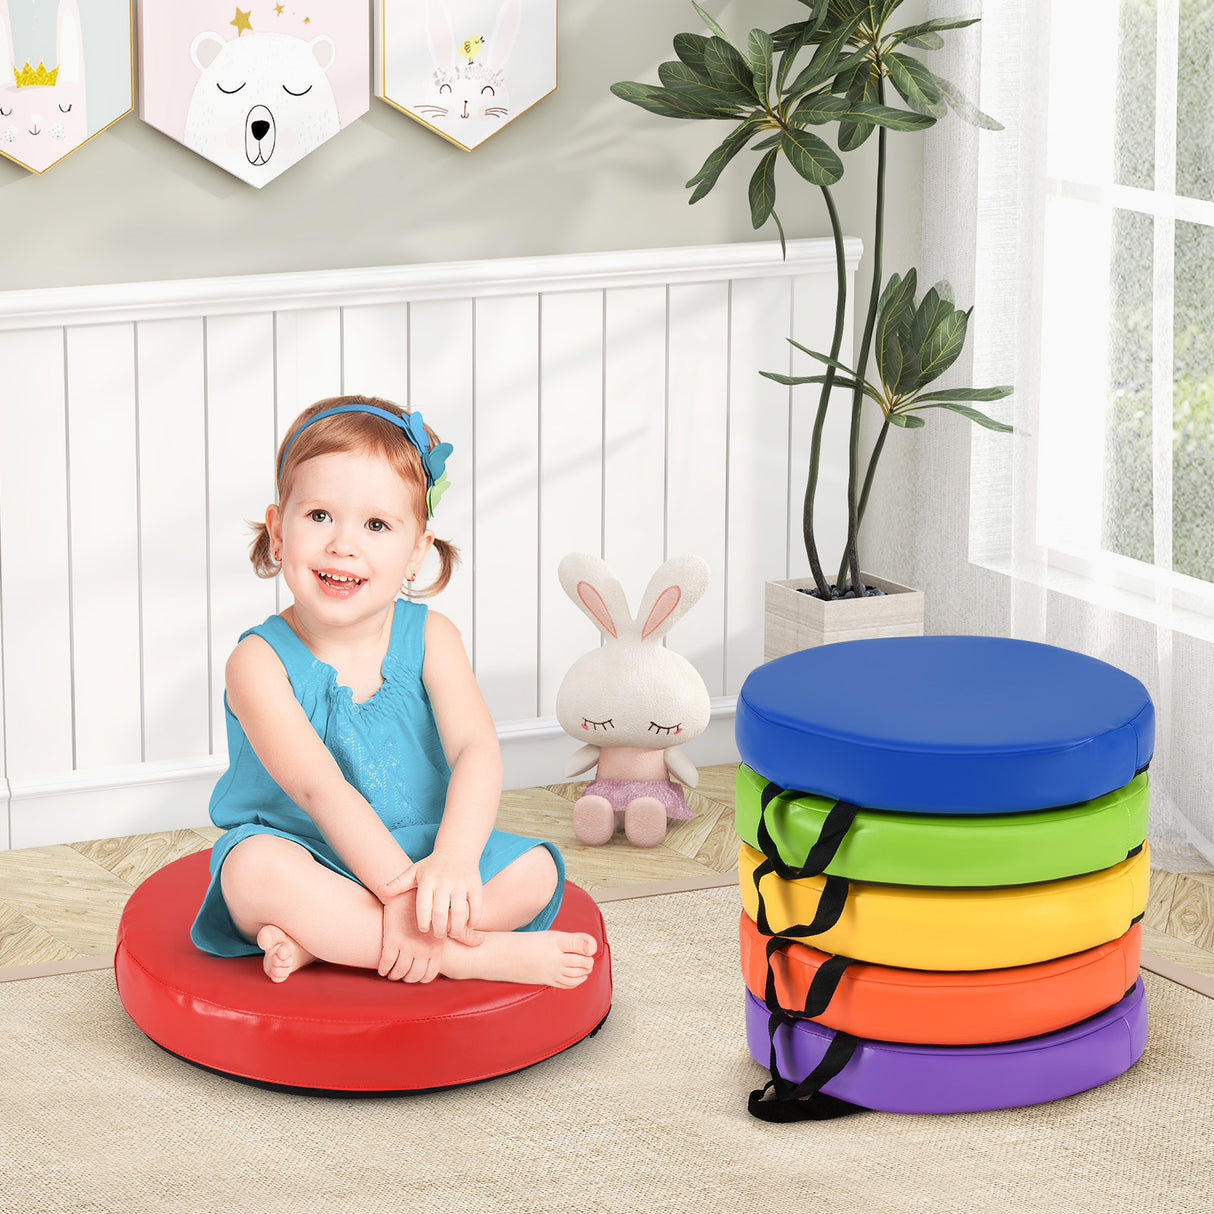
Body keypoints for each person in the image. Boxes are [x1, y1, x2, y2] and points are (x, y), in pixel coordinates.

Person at [191, 395, 597, 990]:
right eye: (320, 516)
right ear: (279, 532)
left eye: (376, 524)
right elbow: (318, 787)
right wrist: (400, 900)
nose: (343, 545)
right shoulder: (256, 663)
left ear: (415, 552)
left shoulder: (433, 636)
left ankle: (328, 943)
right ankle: (467, 958)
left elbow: (474, 751)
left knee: (534, 869)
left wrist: (454, 861)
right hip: (307, 853)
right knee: (252, 871)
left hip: (424, 851)